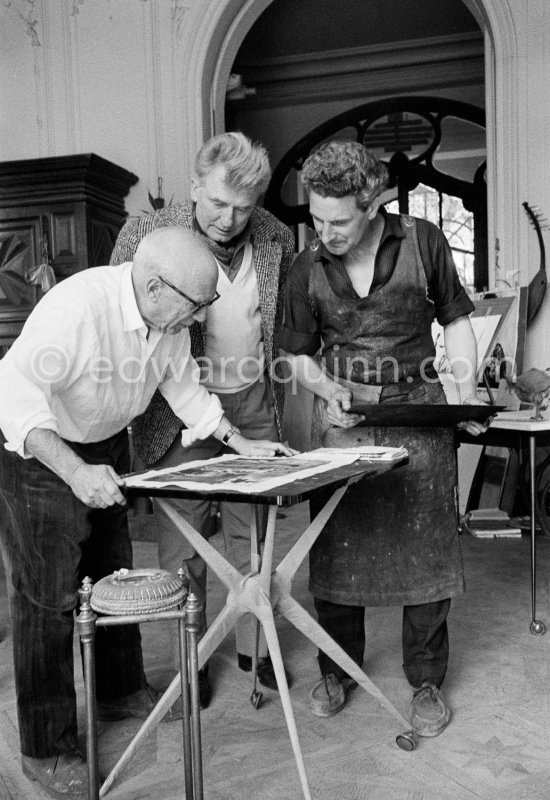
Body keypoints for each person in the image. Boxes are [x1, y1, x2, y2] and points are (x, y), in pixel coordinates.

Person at [0, 226, 291, 800]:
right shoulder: (77, 308)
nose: (203, 316)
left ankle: (120, 690)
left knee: (113, 572)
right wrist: (76, 473)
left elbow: (184, 386)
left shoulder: (167, 319)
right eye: (199, 303)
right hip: (42, 450)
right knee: (47, 595)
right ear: (156, 286)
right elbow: (12, 394)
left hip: (105, 443)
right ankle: (46, 748)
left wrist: (238, 441)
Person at [279, 141, 484, 737]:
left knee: (426, 553)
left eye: (337, 220)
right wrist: (326, 387)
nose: (325, 232)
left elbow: (457, 321)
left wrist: (465, 397)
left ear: (373, 204)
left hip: (420, 417)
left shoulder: (423, 242)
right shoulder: (306, 265)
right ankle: (337, 669)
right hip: (346, 425)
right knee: (338, 550)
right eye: (316, 219)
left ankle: (425, 680)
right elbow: (293, 355)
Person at [110, 132, 295, 702]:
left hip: (251, 401)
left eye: (243, 209)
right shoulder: (144, 233)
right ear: (194, 187)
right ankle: (190, 664)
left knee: (255, 535)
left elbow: (279, 324)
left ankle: (254, 649)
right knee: (184, 544)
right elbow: (122, 316)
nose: (228, 219)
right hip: (176, 408)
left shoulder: (276, 237)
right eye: (217, 204)